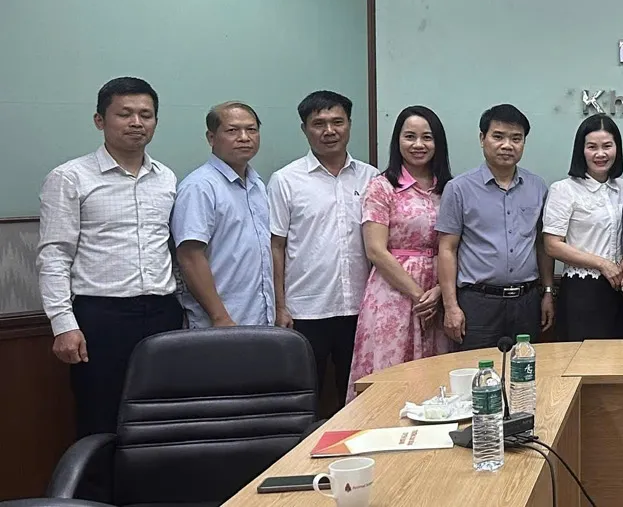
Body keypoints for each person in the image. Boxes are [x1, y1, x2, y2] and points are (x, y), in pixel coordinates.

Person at [37, 77, 183, 437]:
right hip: (101, 317)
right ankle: (101, 478)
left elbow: (172, 250)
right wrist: (63, 324)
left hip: (163, 311)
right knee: (101, 417)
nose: (136, 122)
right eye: (125, 114)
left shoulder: (166, 178)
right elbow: (54, 255)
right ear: (100, 120)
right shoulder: (70, 177)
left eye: (146, 115)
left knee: (162, 416)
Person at [268, 91, 378, 412]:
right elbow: (276, 246)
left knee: (359, 396)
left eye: (337, 122)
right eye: (319, 124)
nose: (329, 131)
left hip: (360, 308)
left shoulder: (371, 177)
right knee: (305, 397)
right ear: (305, 129)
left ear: (349, 125)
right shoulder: (285, 180)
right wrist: (280, 306)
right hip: (305, 310)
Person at [346, 106, 453, 399]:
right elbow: (375, 250)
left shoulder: (449, 189)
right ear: (398, 141)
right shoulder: (381, 187)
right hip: (393, 293)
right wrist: (419, 295)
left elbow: (455, 247)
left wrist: (440, 292)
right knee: (391, 373)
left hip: (439, 293)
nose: (419, 145)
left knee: (437, 378)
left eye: (427, 137)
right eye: (410, 137)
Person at [438, 104, 555, 351]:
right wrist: (450, 306)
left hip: (526, 302)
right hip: (478, 303)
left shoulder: (537, 187)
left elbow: (542, 245)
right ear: (482, 138)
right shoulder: (459, 188)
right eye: (498, 136)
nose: (507, 145)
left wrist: (547, 292)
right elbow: (447, 249)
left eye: (516, 138)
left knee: (526, 369)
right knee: (476, 370)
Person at [172, 102, 273, 328]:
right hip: (219, 323)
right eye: (232, 130)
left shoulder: (257, 185)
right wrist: (220, 317)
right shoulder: (200, 186)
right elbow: (189, 256)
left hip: (259, 319)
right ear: (211, 137)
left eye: (251, 129)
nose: (244, 137)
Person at [543, 114, 623, 341]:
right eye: (592, 147)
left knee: (621, 358)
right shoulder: (564, 190)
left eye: (607, 146)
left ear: (617, 149)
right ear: (581, 150)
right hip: (583, 290)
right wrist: (602, 264)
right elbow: (552, 245)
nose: (600, 154)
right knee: (584, 357)